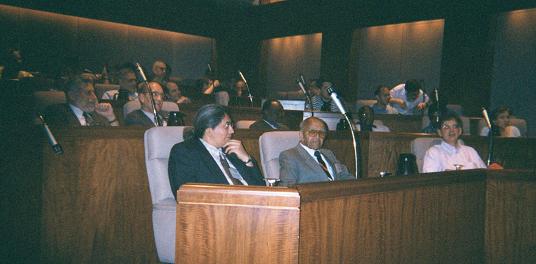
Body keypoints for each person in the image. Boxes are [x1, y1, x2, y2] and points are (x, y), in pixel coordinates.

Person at [168, 104, 265, 198]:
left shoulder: (233, 152)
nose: (232, 131)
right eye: (227, 125)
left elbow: (262, 188)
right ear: (209, 130)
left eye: (231, 125)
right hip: (220, 209)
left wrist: (246, 159)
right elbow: (185, 195)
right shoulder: (185, 152)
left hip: (253, 204)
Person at [279, 117, 355, 186]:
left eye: (321, 133)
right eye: (312, 132)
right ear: (302, 135)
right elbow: (288, 187)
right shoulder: (290, 156)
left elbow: (344, 175)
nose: (318, 137)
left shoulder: (328, 153)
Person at [44, 72, 119, 127]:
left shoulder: (98, 115)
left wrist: (110, 116)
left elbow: (117, 140)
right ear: (72, 95)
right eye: (88, 93)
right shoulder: (57, 113)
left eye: (94, 92)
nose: (94, 97)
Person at [422, 112, 490, 173]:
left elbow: (485, 174)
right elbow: (430, 180)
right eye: (446, 127)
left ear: (460, 131)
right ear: (440, 132)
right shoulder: (434, 152)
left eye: (455, 127)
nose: (451, 130)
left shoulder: (470, 151)